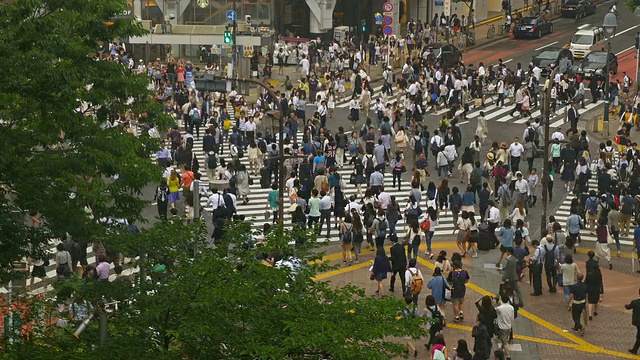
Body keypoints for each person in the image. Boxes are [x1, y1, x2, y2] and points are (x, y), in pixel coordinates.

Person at [624, 287, 640, 354]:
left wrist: (625, 305)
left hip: (638, 322)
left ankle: (635, 349)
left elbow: (628, 307)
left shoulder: (635, 302)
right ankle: (634, 349)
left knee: (639, 336)